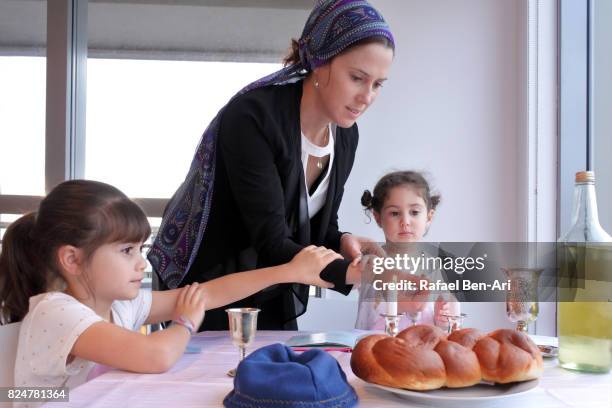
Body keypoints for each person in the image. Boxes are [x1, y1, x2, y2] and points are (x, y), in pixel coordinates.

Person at [148, 0, 395, 330]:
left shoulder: (346, 135)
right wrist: (354, 274)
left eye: (378, 84)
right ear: (320, 63)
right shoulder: (254, 118)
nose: (367, 97)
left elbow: (315, 223)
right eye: (357, 78)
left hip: (276, 283)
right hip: (214, 289)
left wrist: (343, 241)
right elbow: (271, 237)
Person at [0, 180, 341, 397]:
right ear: (72, 260)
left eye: (140, 250)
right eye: (126, 251)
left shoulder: (121, 305)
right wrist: (185, 323)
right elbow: (156, 355)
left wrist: (287, 271)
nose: (141, 264)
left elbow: (206, 294)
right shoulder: (56, 310)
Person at [355, 171, 461, 331]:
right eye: (395, 213)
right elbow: (370, 315)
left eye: (414, 212)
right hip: (376, 349)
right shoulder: (369, 260)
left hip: (424, 350)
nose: (405, 221)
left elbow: (448, 324)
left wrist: (443, 318)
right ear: (377, 217)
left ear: (429, 217)